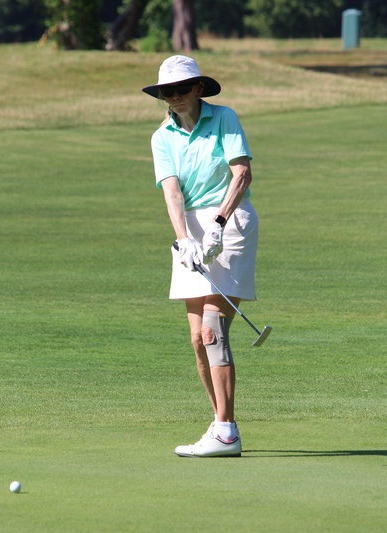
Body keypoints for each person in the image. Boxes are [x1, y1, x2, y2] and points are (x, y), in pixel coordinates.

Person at [142, 55, 259, 458]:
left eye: (180, 89)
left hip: (232, 220)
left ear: (198, 88)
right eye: (166, 92)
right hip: (190, 230)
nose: (174, 97)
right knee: (197, 340)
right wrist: (184, 239)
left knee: (213, 328)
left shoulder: (224, 118)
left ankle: (225, 432)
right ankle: (222, 425)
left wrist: (219, 223)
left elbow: (242, 173)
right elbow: (172, 192)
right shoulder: (162, 137)